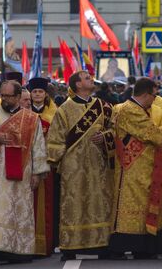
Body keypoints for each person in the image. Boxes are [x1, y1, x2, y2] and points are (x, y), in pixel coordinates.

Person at [0, 80, 49, 264]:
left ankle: (17, 250)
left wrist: (37, 173)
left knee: (17, 210)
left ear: (18, 96)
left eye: (8, 96)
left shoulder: (30, 119)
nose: (4, 99)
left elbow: (38, 146)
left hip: (22, 172)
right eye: (2, 95)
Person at [46, 71, 116, 261]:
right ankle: (70, 246)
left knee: (99, 203)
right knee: (74, 205)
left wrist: (106, 137)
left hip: (98, 165)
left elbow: (116, 129)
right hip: (72, 167)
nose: (91, 79)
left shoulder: (103, 107)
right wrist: (55, 162)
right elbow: (55, 139)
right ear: (77, 85)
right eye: (86, 78)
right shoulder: (64, 109)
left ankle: (102, 244)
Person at [108, 78, 162, 259]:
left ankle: (133, 246)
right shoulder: (132, 110)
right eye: (154, 95)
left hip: (131, 166)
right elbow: (156, 136)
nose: (155, 99)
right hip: (136, 167)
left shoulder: (120, 107)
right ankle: (137, 245)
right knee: (136, 203)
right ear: (145, 94)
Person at [28, 77, 57, 256]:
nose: (37, 95)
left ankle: (45, 244)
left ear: (45, 94)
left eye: (40, 92)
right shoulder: (24, 114)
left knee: (47, 203)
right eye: (35, 92)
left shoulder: (54, 113)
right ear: (30, 94)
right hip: (27, 164)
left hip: (46, 164)